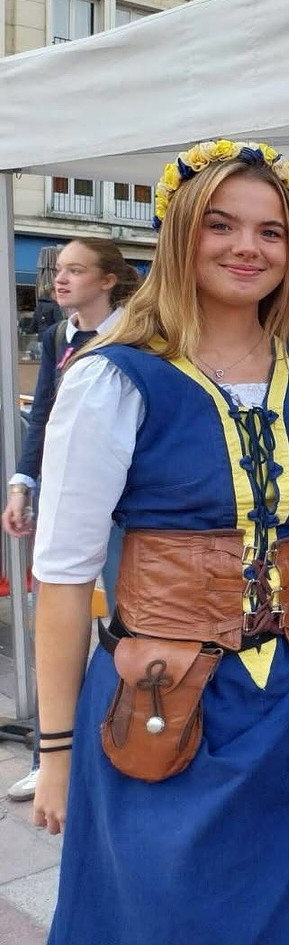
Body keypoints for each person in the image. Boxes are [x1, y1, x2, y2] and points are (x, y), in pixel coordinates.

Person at [28, 141, 289, 943]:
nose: (248, 248)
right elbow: (64, 576)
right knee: (165, 914)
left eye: (271, 231)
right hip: (164, 697)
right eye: (221, 225)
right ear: (179, 233)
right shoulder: (115, 376)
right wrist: (58, 753)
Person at [3, 238, 139, 804]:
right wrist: (22, 483)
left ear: (107, 280)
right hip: (71, 498)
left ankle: (128, 742)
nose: (60, 280)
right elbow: (44, 416)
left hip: (125, 506)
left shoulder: (134, 335)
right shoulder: (60, 335)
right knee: (56, 617)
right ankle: (50, 756)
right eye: (58, 271)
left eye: (75, 271)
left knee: (126, 623)